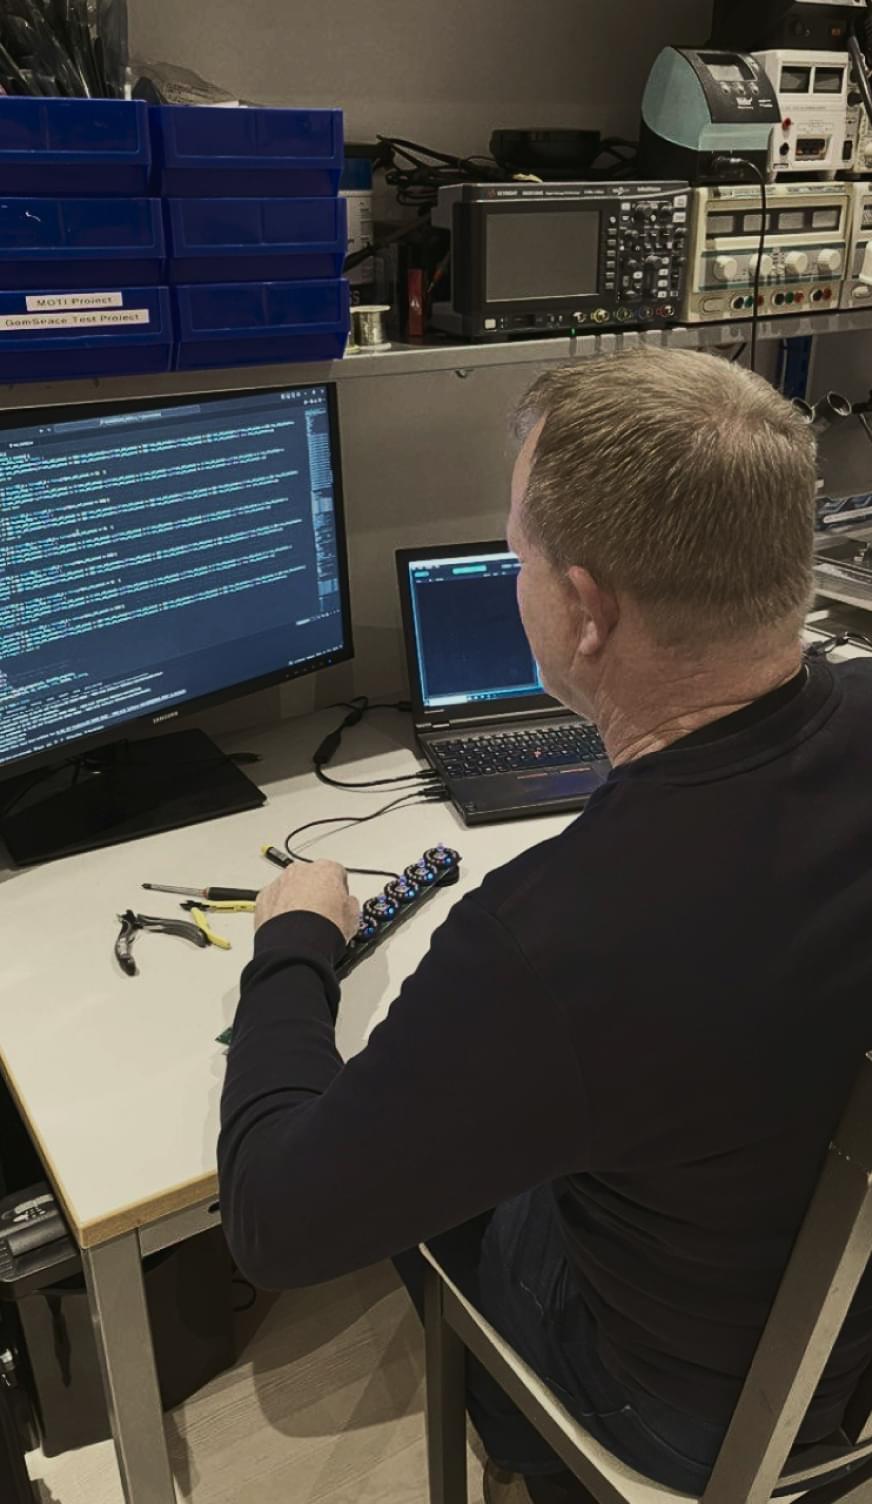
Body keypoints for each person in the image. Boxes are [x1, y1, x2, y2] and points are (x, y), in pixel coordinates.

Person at [218, 348, 872, 1503]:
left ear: (583, 609)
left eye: (516, 557)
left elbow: (273, 1222)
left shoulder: (550, 940)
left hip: (698, 1418)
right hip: (848, 1338)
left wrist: (293, 949)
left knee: (423, 1177)